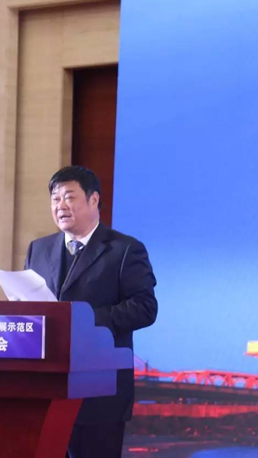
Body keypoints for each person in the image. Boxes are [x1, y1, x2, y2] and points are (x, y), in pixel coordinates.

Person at [24, 165, 158, 458]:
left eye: (69, 197)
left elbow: (145, 308)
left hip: (99, 394)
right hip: (45, 391)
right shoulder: (38, 250)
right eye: (55, 199)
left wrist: (83, 320)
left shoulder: (124, 249)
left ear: (93, 199)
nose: (60, 206)